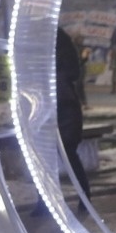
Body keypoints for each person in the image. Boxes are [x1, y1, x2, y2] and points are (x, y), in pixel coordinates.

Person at [30, 27, 91, 216]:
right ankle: (45, 200)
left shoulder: (62, 43)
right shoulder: (34, 45)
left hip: (64, 107)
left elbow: (74, 73)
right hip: (43, 107)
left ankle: (84, 198)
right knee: (43, 157)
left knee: (68, 154)